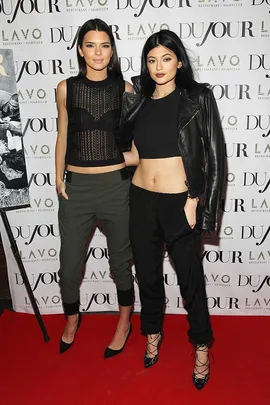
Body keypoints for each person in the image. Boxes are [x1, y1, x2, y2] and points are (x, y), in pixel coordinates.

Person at [119, 30, 224, 390]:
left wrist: (197, 202)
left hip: (181, 203)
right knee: (147, 277)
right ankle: (152, 333)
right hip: (141, 201)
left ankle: (201, 346)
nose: (159, 66)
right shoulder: (138, 101)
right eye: (152, 60)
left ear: (179, 61)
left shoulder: (197, 98)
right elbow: (135, 155)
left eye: (166, 58)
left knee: (190, 281)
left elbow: (214, 158)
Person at [55, 18, 134, 356]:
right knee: (69, 265)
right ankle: (72, 319)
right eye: (90, 44)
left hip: (116, 188)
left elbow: (138, 142)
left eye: (104, 45)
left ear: (112, 50)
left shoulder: (126, 89)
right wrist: (58, 177)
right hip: (77, 189)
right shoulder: (65, 88)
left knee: (120, 262)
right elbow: (62, 135)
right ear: (80, 49)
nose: (98, 52)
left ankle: (125, 321)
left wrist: (126, 161)